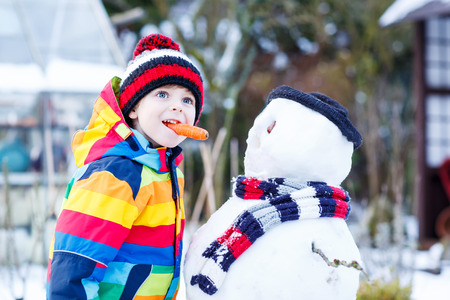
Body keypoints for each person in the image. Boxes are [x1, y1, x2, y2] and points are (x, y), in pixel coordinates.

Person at [46, 34, 204, 300]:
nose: (177, 106)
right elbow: (72, 271)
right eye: (162, 94)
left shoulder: (166, 171)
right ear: (133, 109)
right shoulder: (116, 174)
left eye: (187, 100)